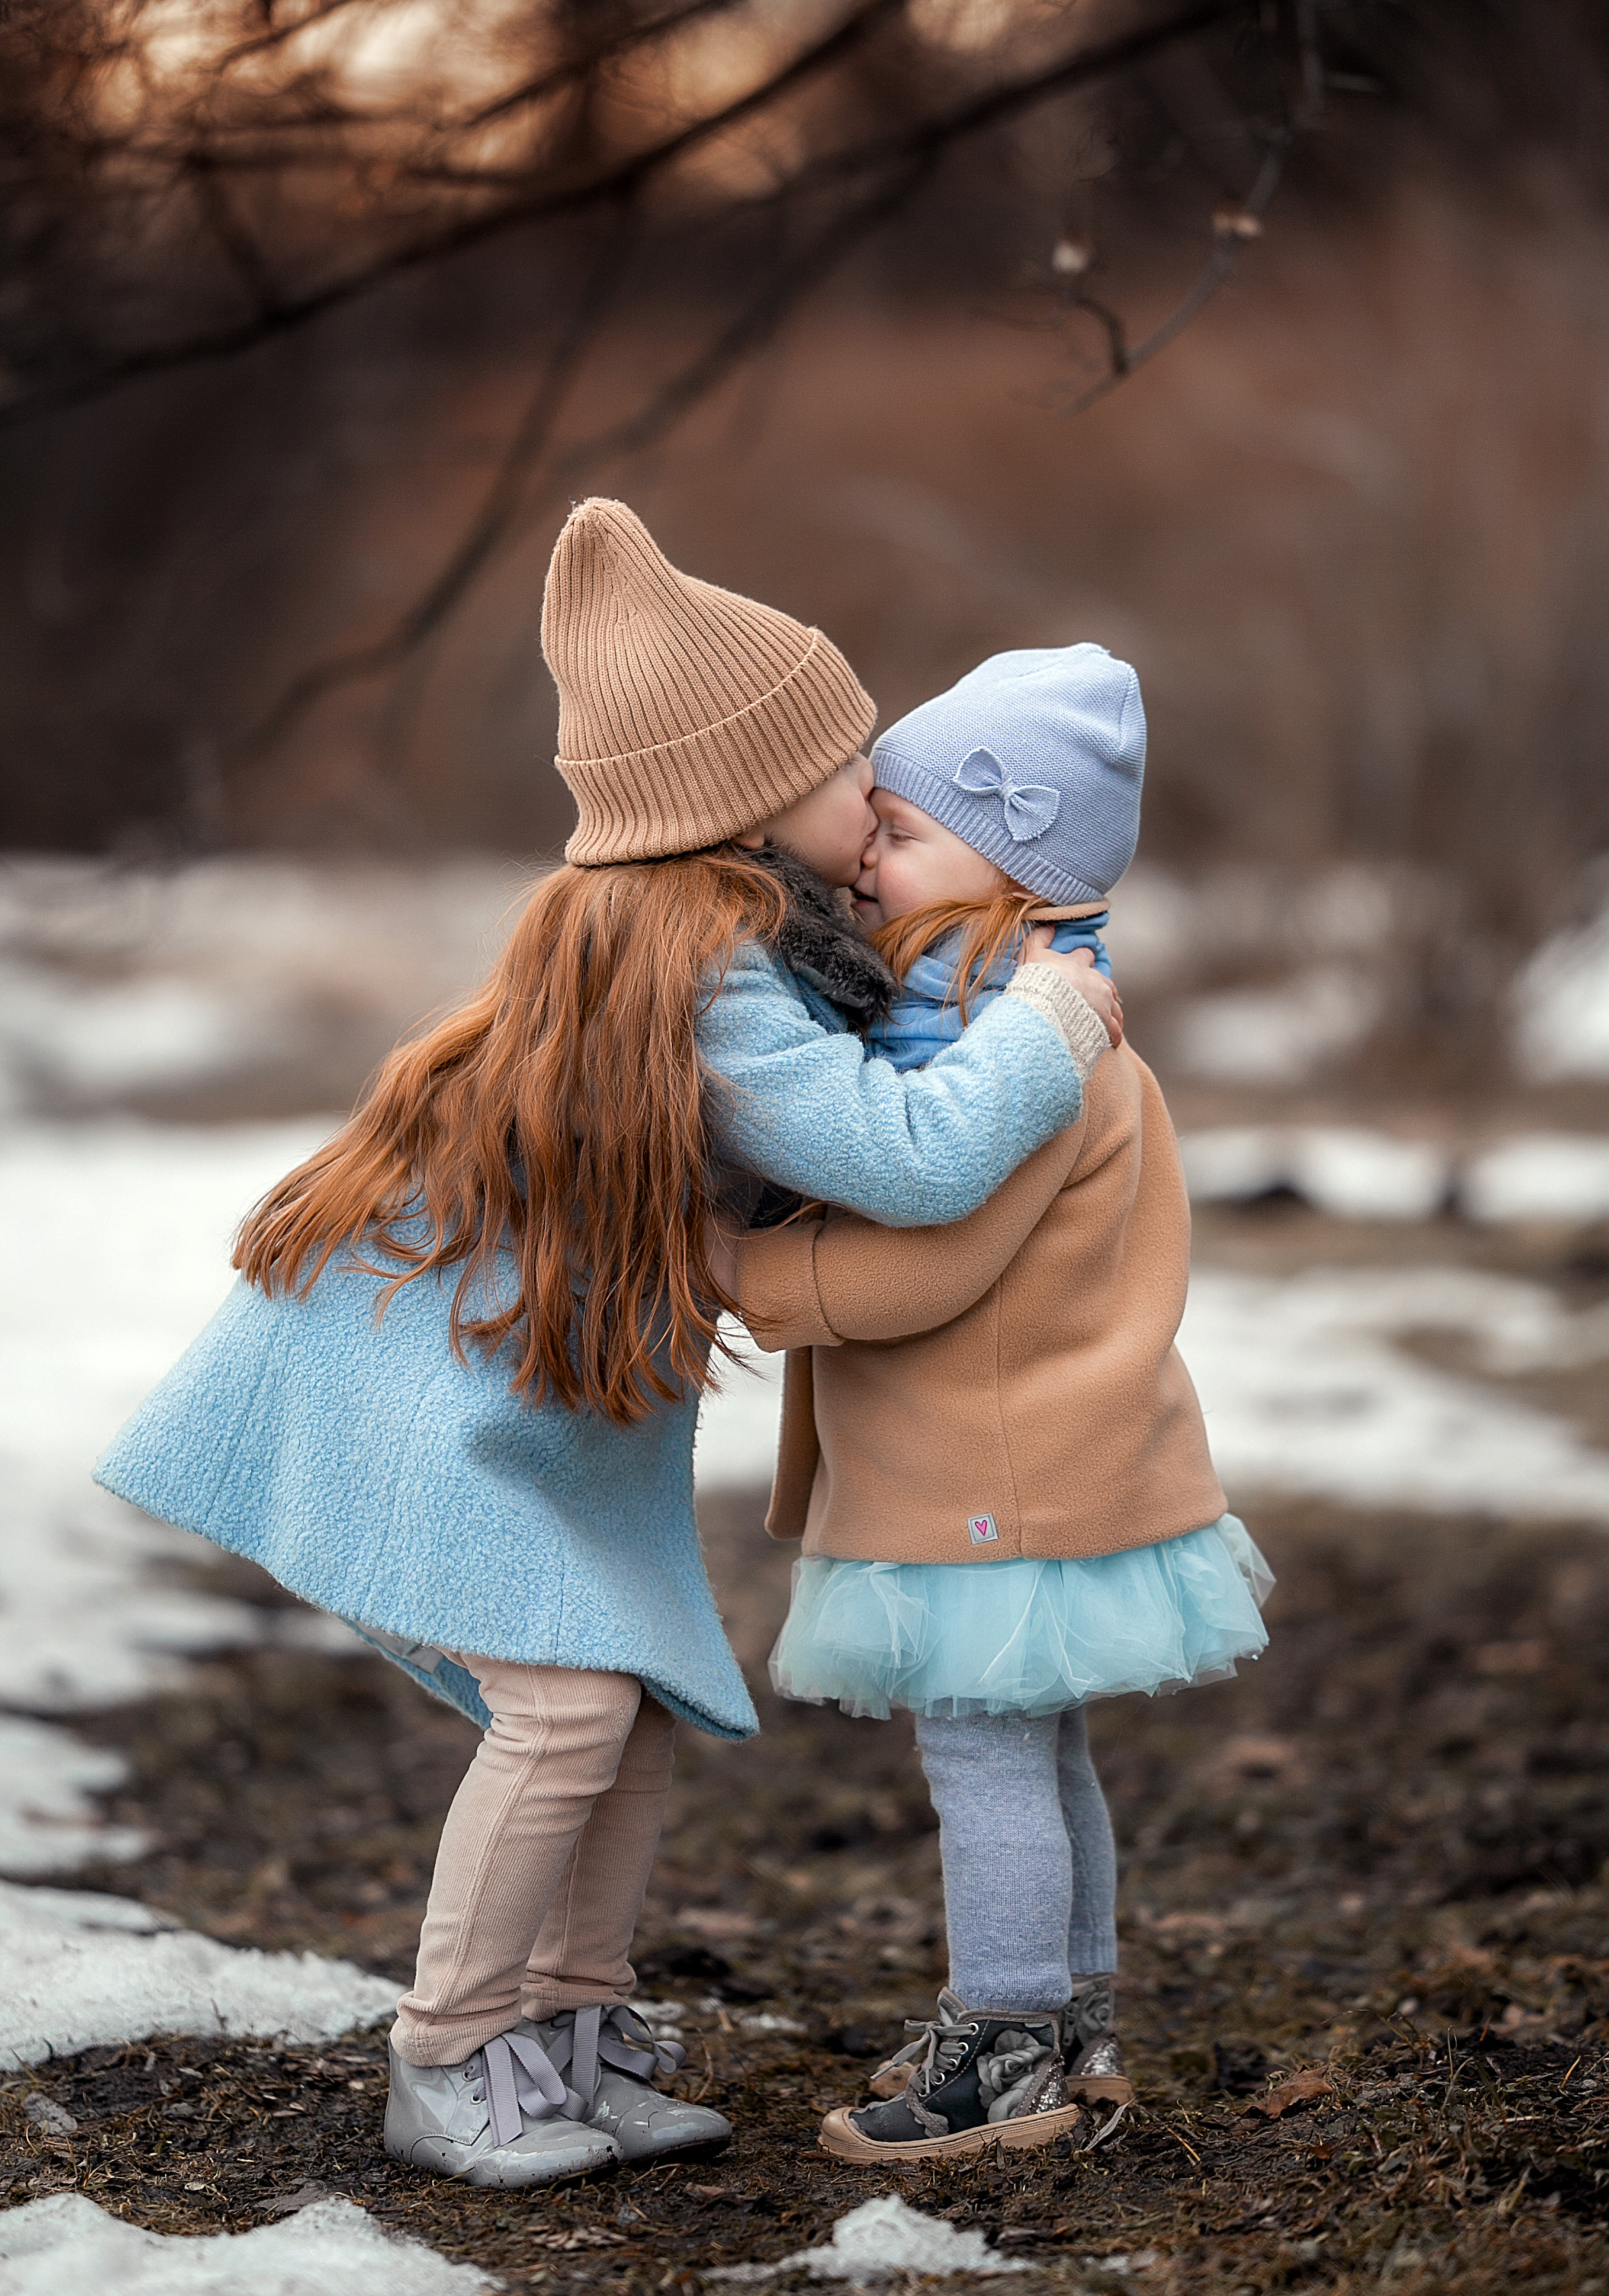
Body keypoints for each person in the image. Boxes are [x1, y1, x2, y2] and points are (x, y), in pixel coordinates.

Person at [94, 508, 1120, 2193]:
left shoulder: (713, 939)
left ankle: (564, 2025)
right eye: (849, 763)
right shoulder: (711, 969)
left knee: (619, 1702)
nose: (874, 794)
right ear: (749, 792)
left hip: (510, 1380)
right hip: (420, 1378)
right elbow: (909, 1159)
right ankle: (446, 2047)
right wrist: (1048, 1024)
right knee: (565, 1712)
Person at [725, 645, 1272, 2165]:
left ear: (1011, 854)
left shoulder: (1008, 1035)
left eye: (898, 834)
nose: (867, 861)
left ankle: (1007, 2043)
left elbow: (925, 1267)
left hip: (991, 1461)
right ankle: (1072, 2021)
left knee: (981, 1751)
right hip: (1039, 1450)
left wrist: (734, 1265)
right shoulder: (1022, 1009)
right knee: (1041, 1744)